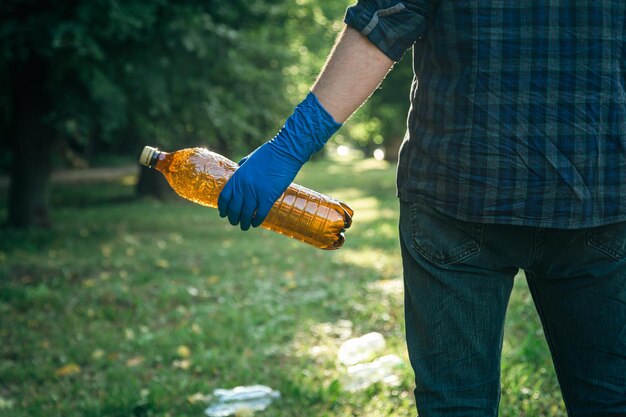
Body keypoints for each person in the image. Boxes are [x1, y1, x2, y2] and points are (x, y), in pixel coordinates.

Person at [217, 1, 626, 416]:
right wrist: (290, 146)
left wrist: (291, 145)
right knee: (611, 400)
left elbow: (382, 24)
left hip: (458, 190)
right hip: (596, 186)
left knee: (456, 405)